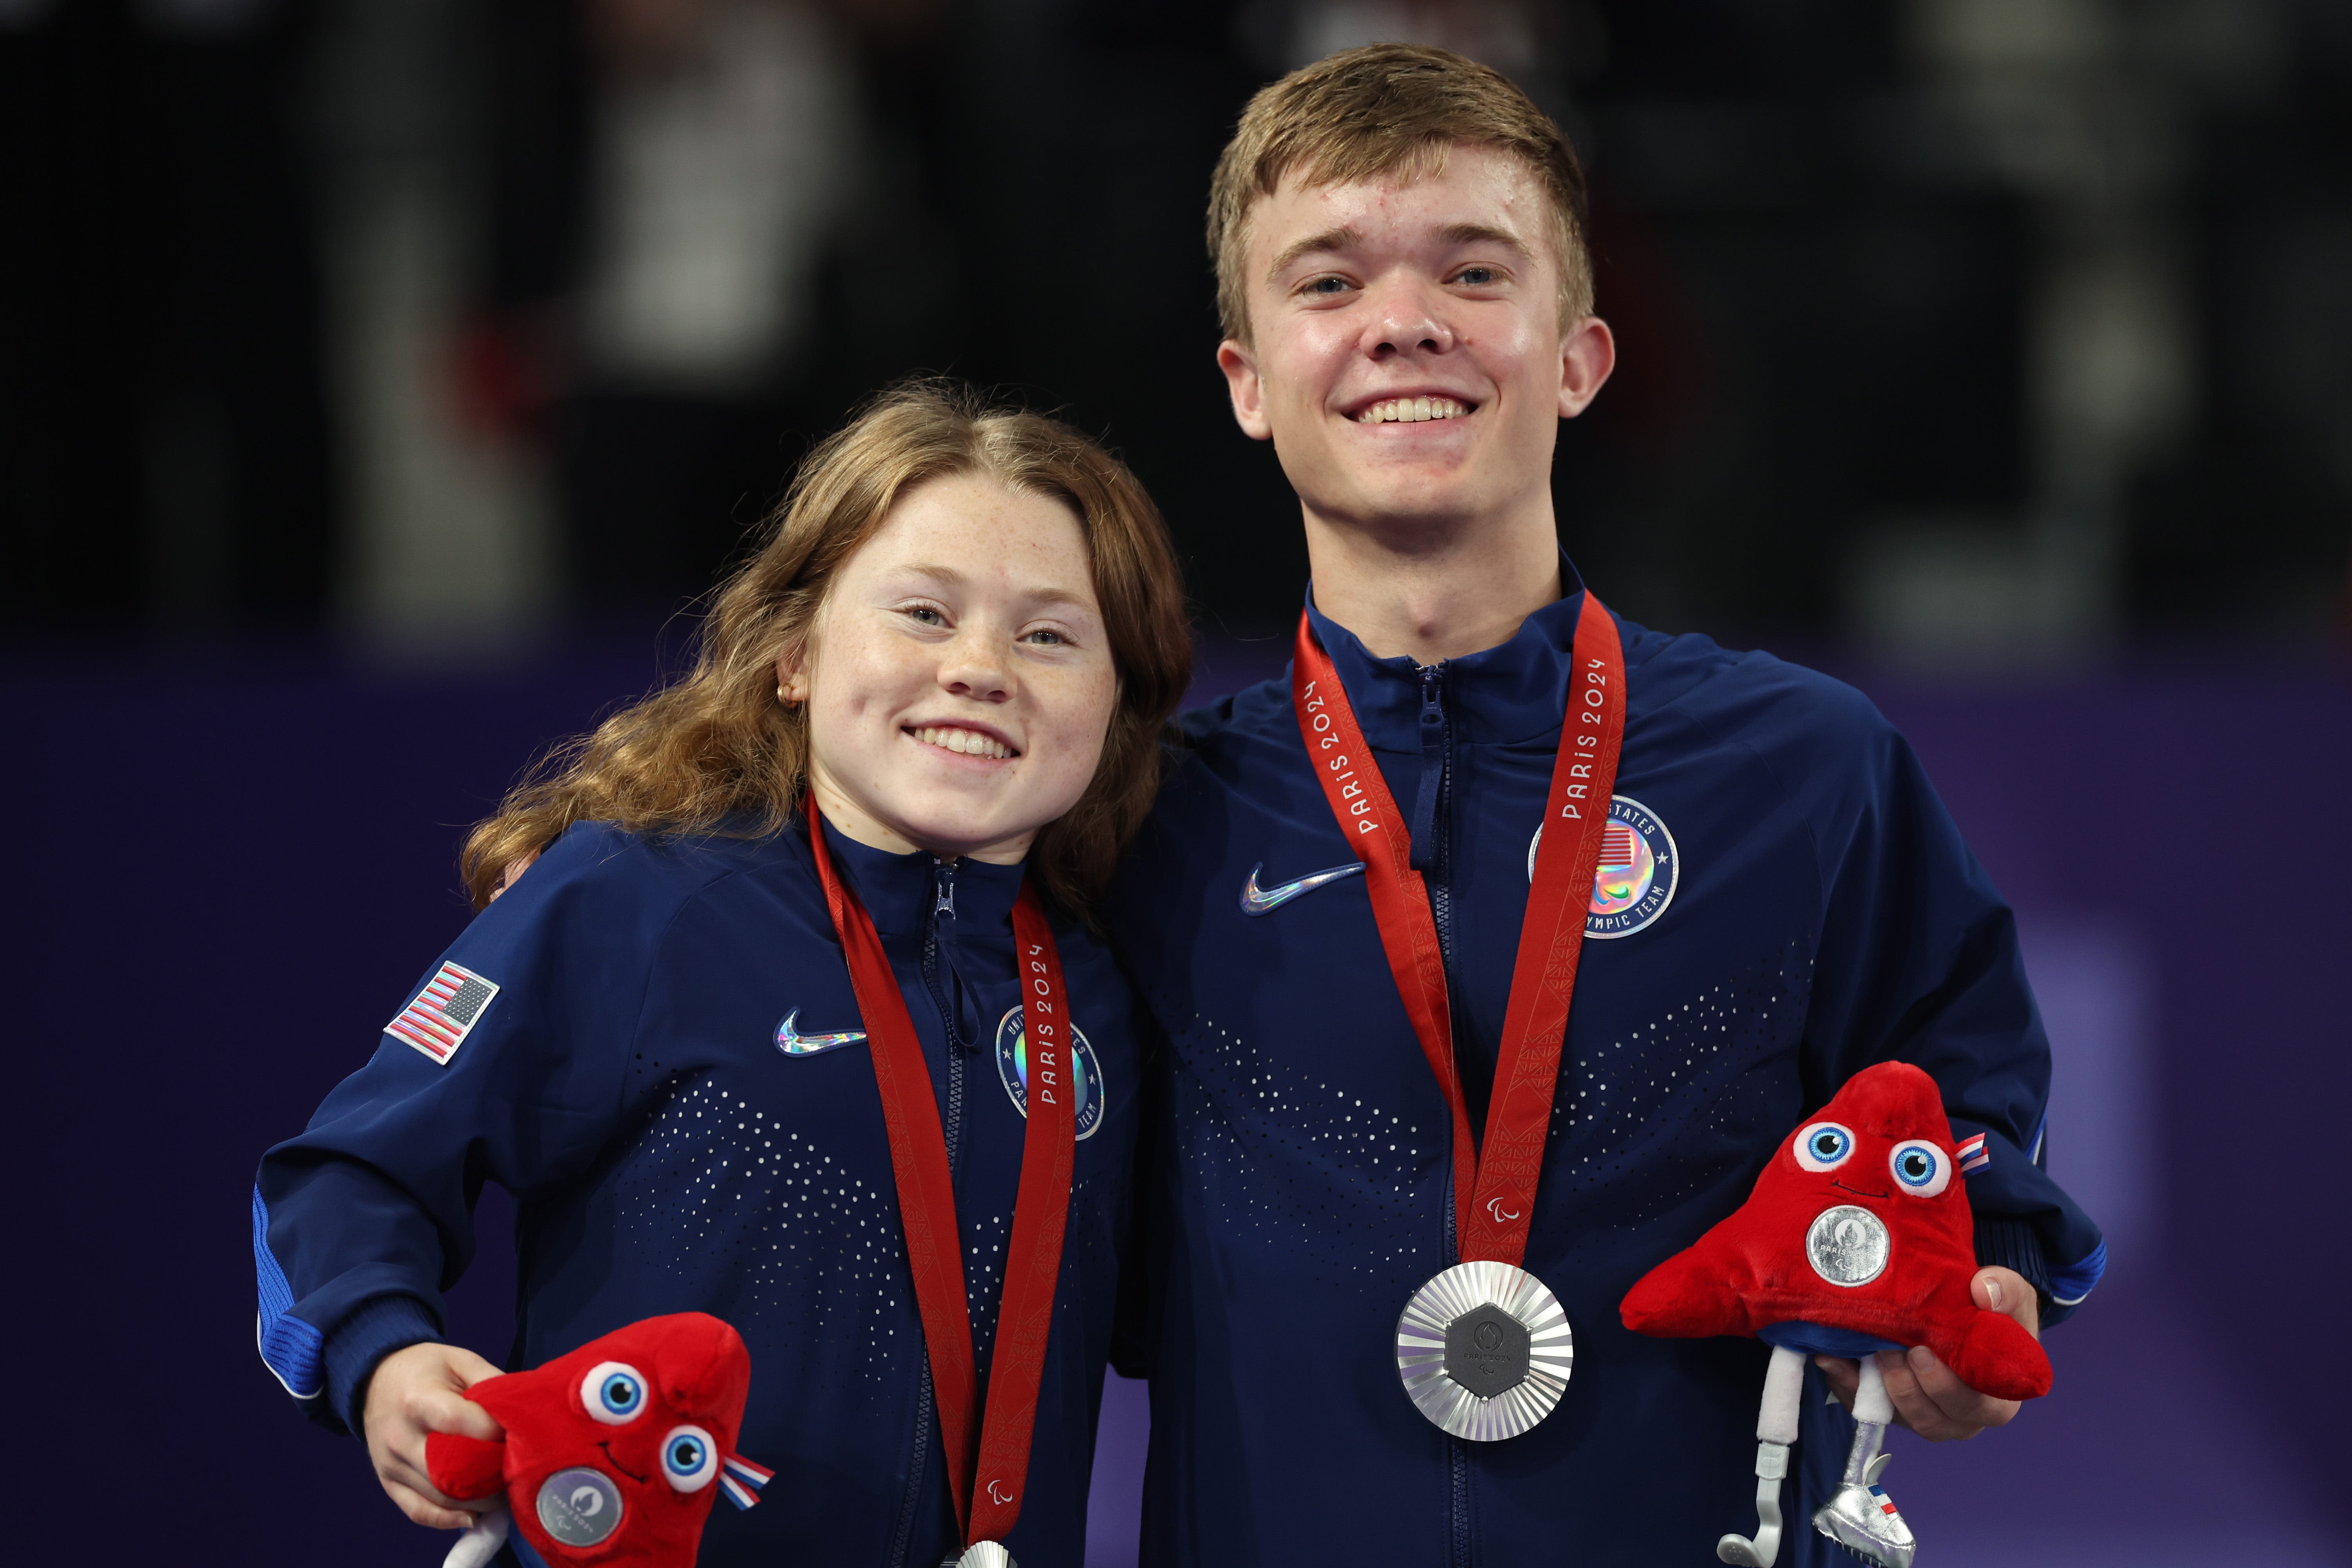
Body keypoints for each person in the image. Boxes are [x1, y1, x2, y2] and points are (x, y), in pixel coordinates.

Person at [1103, 44, 2106, 1567]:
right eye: (1326, 282)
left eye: (1473, 268)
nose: (1403, 323)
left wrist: (1979, 1284)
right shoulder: (1151, 820)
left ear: (1579, 355)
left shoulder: (1802, 767)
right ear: (1247, 385)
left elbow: (1965, 1110)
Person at [251, 379, 1192, 1568]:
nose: (980, 667)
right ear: (795, 653)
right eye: (921, 613)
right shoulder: (630, 903)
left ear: (1117, 704)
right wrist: (381, 1354)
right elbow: (343, 1176)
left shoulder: (1110, 996)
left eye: (1051, 634)